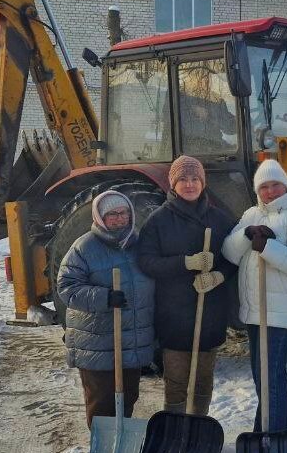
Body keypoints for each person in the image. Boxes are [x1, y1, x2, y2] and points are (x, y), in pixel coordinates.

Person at [137, 155, 237, 416]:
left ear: (203, 183)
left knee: (204, 381)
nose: (190, 184)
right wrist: (186, 263)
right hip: (174, 314)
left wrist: (218, 276)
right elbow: (147, 262)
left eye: (195, 179)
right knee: (177, 381)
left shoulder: (220, 220)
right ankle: (175, 429)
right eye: (183, 179)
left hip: (210, 314)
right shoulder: (158, 221)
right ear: (173, 184)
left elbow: (234, 260)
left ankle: (198, 430)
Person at [222, 159, 287, 432]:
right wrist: (246, 234)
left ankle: (269, 435)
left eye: (275, 184)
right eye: (264, 187)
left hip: (283, 315)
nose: (271, 191)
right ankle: (280, 434)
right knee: (264, 377)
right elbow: (230, 252)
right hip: (257, 312)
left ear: (285, 185)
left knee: (269, 377)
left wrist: (267, 248)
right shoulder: (251, 214)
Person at [58, 190, 155, 429]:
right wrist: (104, 297)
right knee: (102, 402)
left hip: (130, 340)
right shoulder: (84, 247)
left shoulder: (139, 244)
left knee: (128, 397)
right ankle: (102, 452)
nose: (119, 218)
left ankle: (121, 449)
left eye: (124, 213)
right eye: (112, 214)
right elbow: (67, 287)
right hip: (96, 342)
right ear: (100, 217)